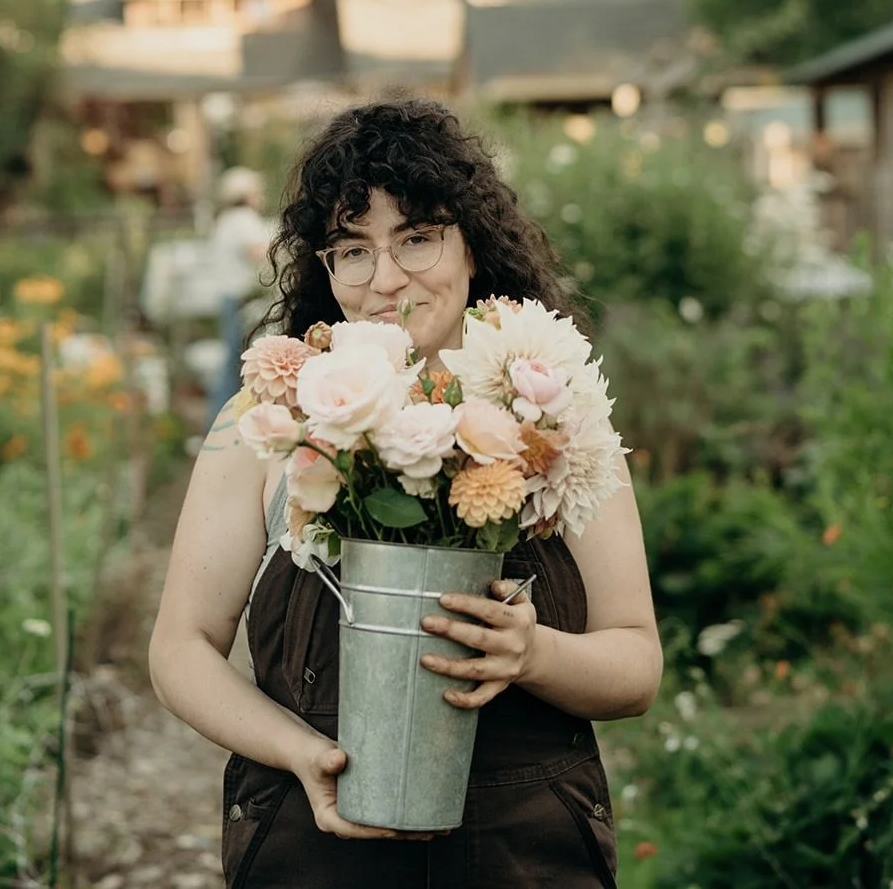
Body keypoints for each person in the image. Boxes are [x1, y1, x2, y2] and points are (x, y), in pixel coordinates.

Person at [149, 99, 662, 888]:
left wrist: (533, 652)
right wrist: (302, 753)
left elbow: (636, 663)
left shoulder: (555, 412)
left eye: (417, 238)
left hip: (525, 850)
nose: (386, 279)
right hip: (313, 845)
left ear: (470, 246)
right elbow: (180, 647)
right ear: (325, 268)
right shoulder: (265, 420)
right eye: (353, 249)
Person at [206, 166, 274, 428]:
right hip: (240, 299)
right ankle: (225, 422)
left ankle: (220, 421)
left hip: (227, 297)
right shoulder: (243, 219)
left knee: (231, 360)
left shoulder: (225, 219)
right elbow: (261, 253)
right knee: (238, 362)